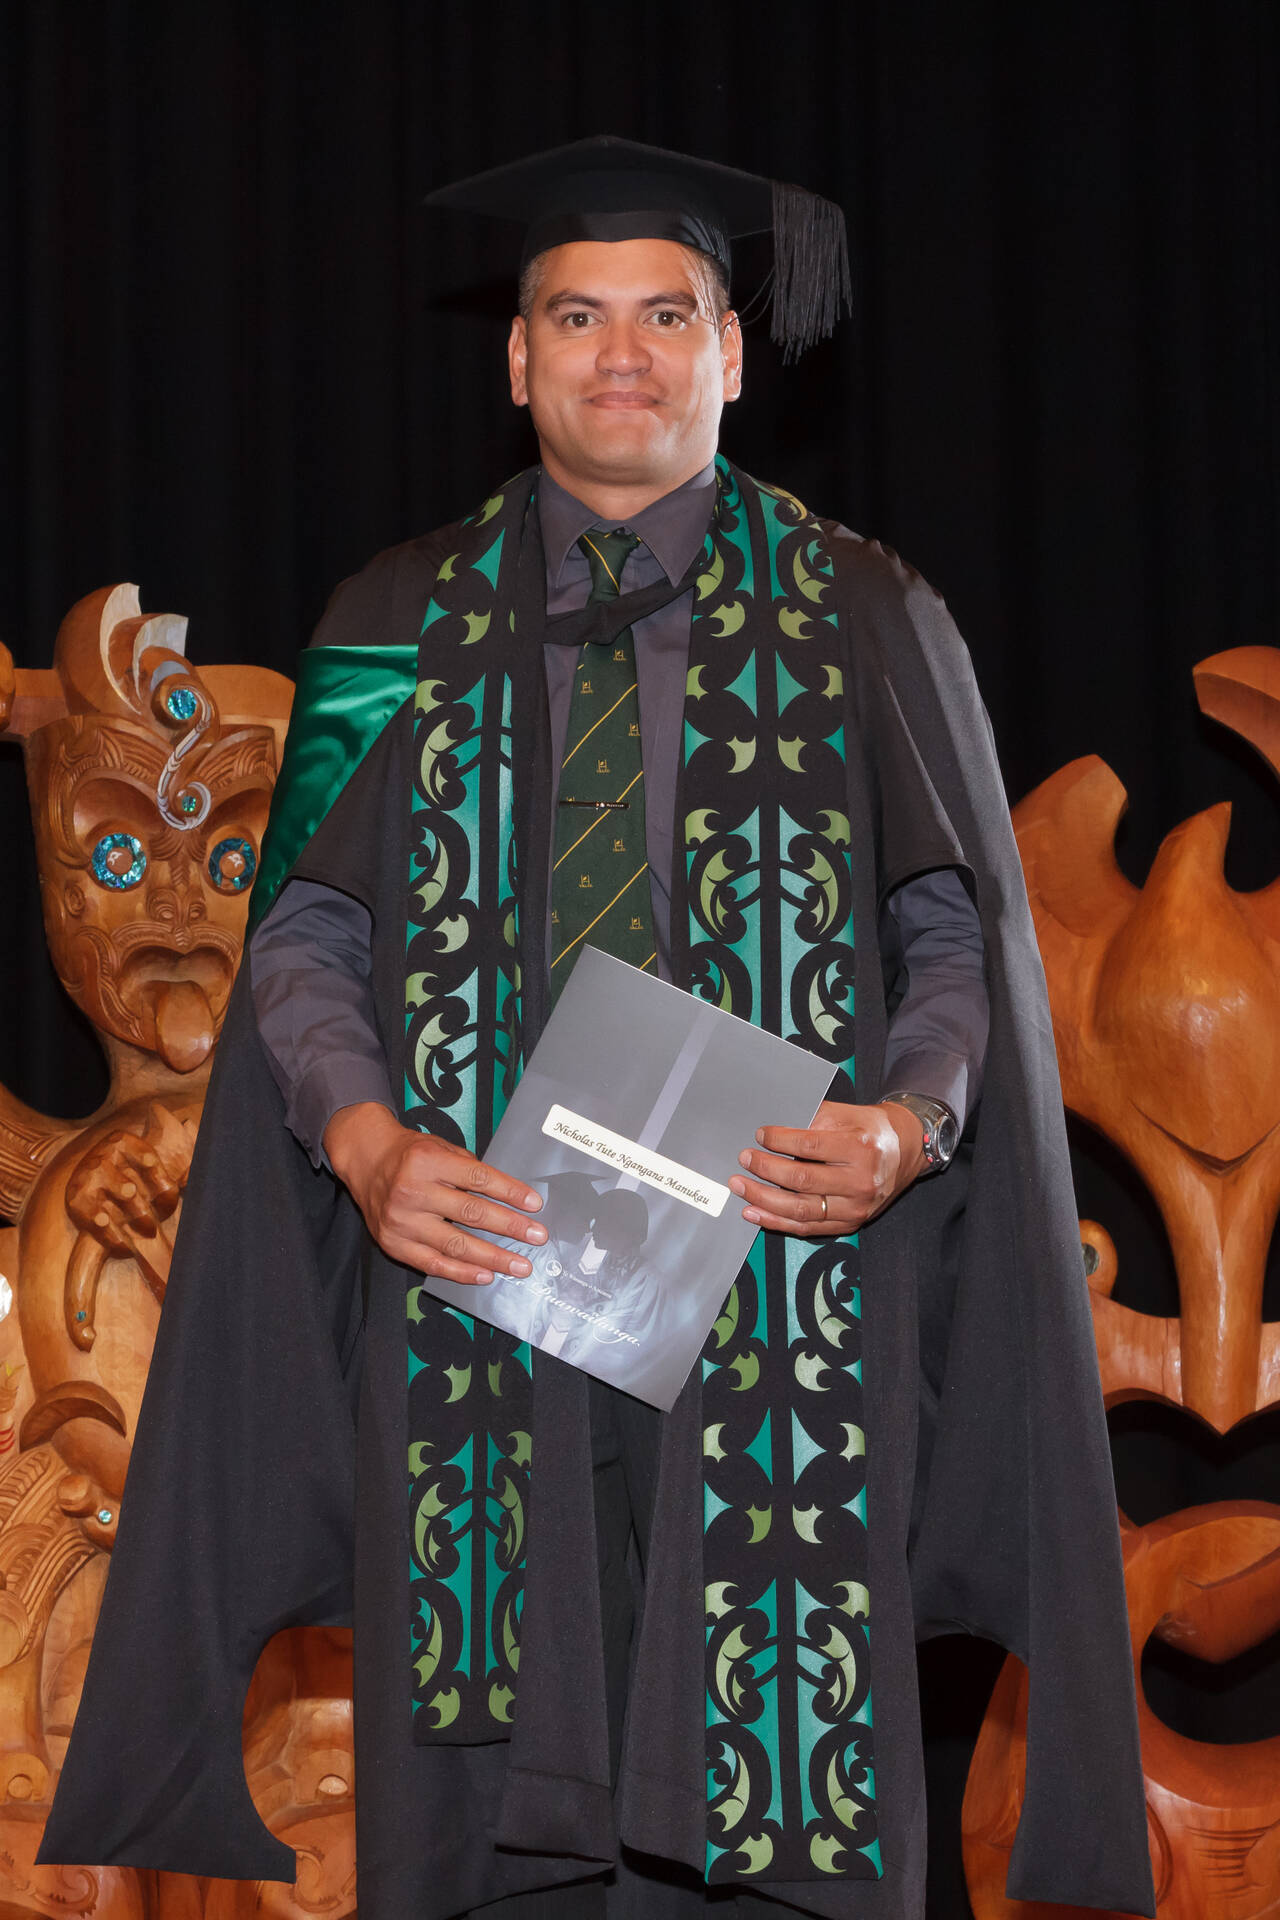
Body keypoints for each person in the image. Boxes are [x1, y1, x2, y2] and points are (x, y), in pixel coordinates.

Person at [40, 140, 1155, 1920]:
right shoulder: (384, 624)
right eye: (575, 317)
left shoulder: (869, 608)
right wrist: (366, 1148)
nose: (619, 353)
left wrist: (907, 1127)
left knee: (781, 1796)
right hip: (482, 1280)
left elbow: (954, 931)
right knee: (490, 1808)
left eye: (665, 315)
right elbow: (305, 932)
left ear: (733, 353)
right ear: (517, 358)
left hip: (784, 1290)